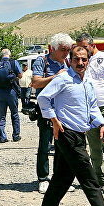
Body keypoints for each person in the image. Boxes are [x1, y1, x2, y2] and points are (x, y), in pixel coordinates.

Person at [37, 45, 104, 206]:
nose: (80, 63)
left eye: (84, 59)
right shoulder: (63, 79)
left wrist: (102, 125)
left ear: (88, 61)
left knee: (63, 176)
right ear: (70, 60)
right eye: (77, 59)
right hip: (66, 133)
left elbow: (92, 107)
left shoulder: (87, 82)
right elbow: (43, 98)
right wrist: (53, 119)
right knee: (88, 175)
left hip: (79, 133)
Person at [75, 34, 104, 193]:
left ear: (92, 44)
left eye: (84, 47)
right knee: (94, 146)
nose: (81, 51)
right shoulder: (83, 62)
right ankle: (98, 177)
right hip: (88, 108)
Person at [31, 34, 72, 194]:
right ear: (53, 49)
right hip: (47, 110)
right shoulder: (43, 61)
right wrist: (56, 77)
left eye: (68, 50)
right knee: (45, 145)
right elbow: (35, 82)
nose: (66, 53)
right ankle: (43, 178)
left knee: (62, 146)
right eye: (63, 50)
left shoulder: (68, 62)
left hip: (64, 110)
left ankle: (59, 179)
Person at [0, 48, 23, 143]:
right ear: (9, 54)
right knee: (14, 114)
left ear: (1, 55)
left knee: (1, 116)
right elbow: (20, 75)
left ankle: (2, 137)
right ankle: (16, 135)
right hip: (11, 91)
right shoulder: (13, 63)